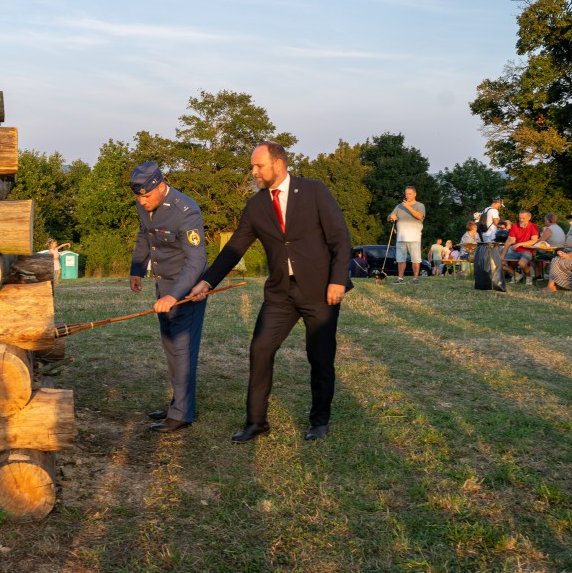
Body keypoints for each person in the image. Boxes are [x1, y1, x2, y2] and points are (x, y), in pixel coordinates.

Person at [188, 142, 352, 444]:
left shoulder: (314, 191)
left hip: (320, 290)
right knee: (260, 349)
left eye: (258, 166)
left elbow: (340, 237)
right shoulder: (256, 205)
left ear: (278, 164)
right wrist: (208, 281)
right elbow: (235, 247)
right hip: (280, 293)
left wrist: (338, 280)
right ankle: (256, 422)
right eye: (253, 166)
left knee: (319, 356)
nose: (253, 172)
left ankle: (319, 421)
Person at [128, 162, 208, 433]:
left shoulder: (187, 210)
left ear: (161, 187)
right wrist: (137, 268)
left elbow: (196, 261)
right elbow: (144, 234)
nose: (142, 202)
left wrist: (175, 295)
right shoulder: (144, 203)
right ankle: (178, 402)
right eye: (138, 197)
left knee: (183, 350)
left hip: (187, 291)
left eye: (147, 196)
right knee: (171, 347)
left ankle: (181, 414)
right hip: (163, 287)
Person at [387, 186, 426, 284]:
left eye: (410, 194)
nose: (407, 196)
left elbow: (419, 216)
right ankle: (400, 278)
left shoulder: (420, 205)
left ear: (415, 194)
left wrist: (408, 207)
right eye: (406, 194)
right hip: (401, 237)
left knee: (415, 260)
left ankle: (415, 278)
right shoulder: (399, 206)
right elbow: (389, 218)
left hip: (414, 237)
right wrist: (391, 217)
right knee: (400, 259)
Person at [502, 211, 539, 285]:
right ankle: (517, 275)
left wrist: (519, 244)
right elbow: (509, 240)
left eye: (523, 218)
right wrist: (503, 255)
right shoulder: (515, 226)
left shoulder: (533, 226)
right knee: (498, 262)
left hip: (527, 251)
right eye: (520, 218)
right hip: (515, 251)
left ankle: (529, 276)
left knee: (522, 263)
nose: (521, 220)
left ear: (529, 218)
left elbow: (534, 240)